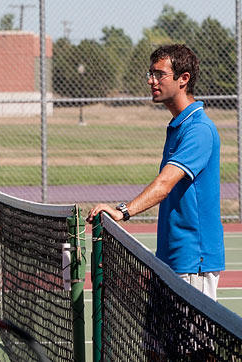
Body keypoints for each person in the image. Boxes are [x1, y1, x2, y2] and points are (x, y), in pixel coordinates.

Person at [86, 44, 224, 301]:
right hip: (172, 258)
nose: (151, 80)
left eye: (159, 74)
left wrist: (122, 211)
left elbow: (164, 185)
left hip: (193, 261)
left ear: (183, 79)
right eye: (150, 73)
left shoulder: (199, 129)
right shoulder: (178, 126)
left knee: (190, 342)